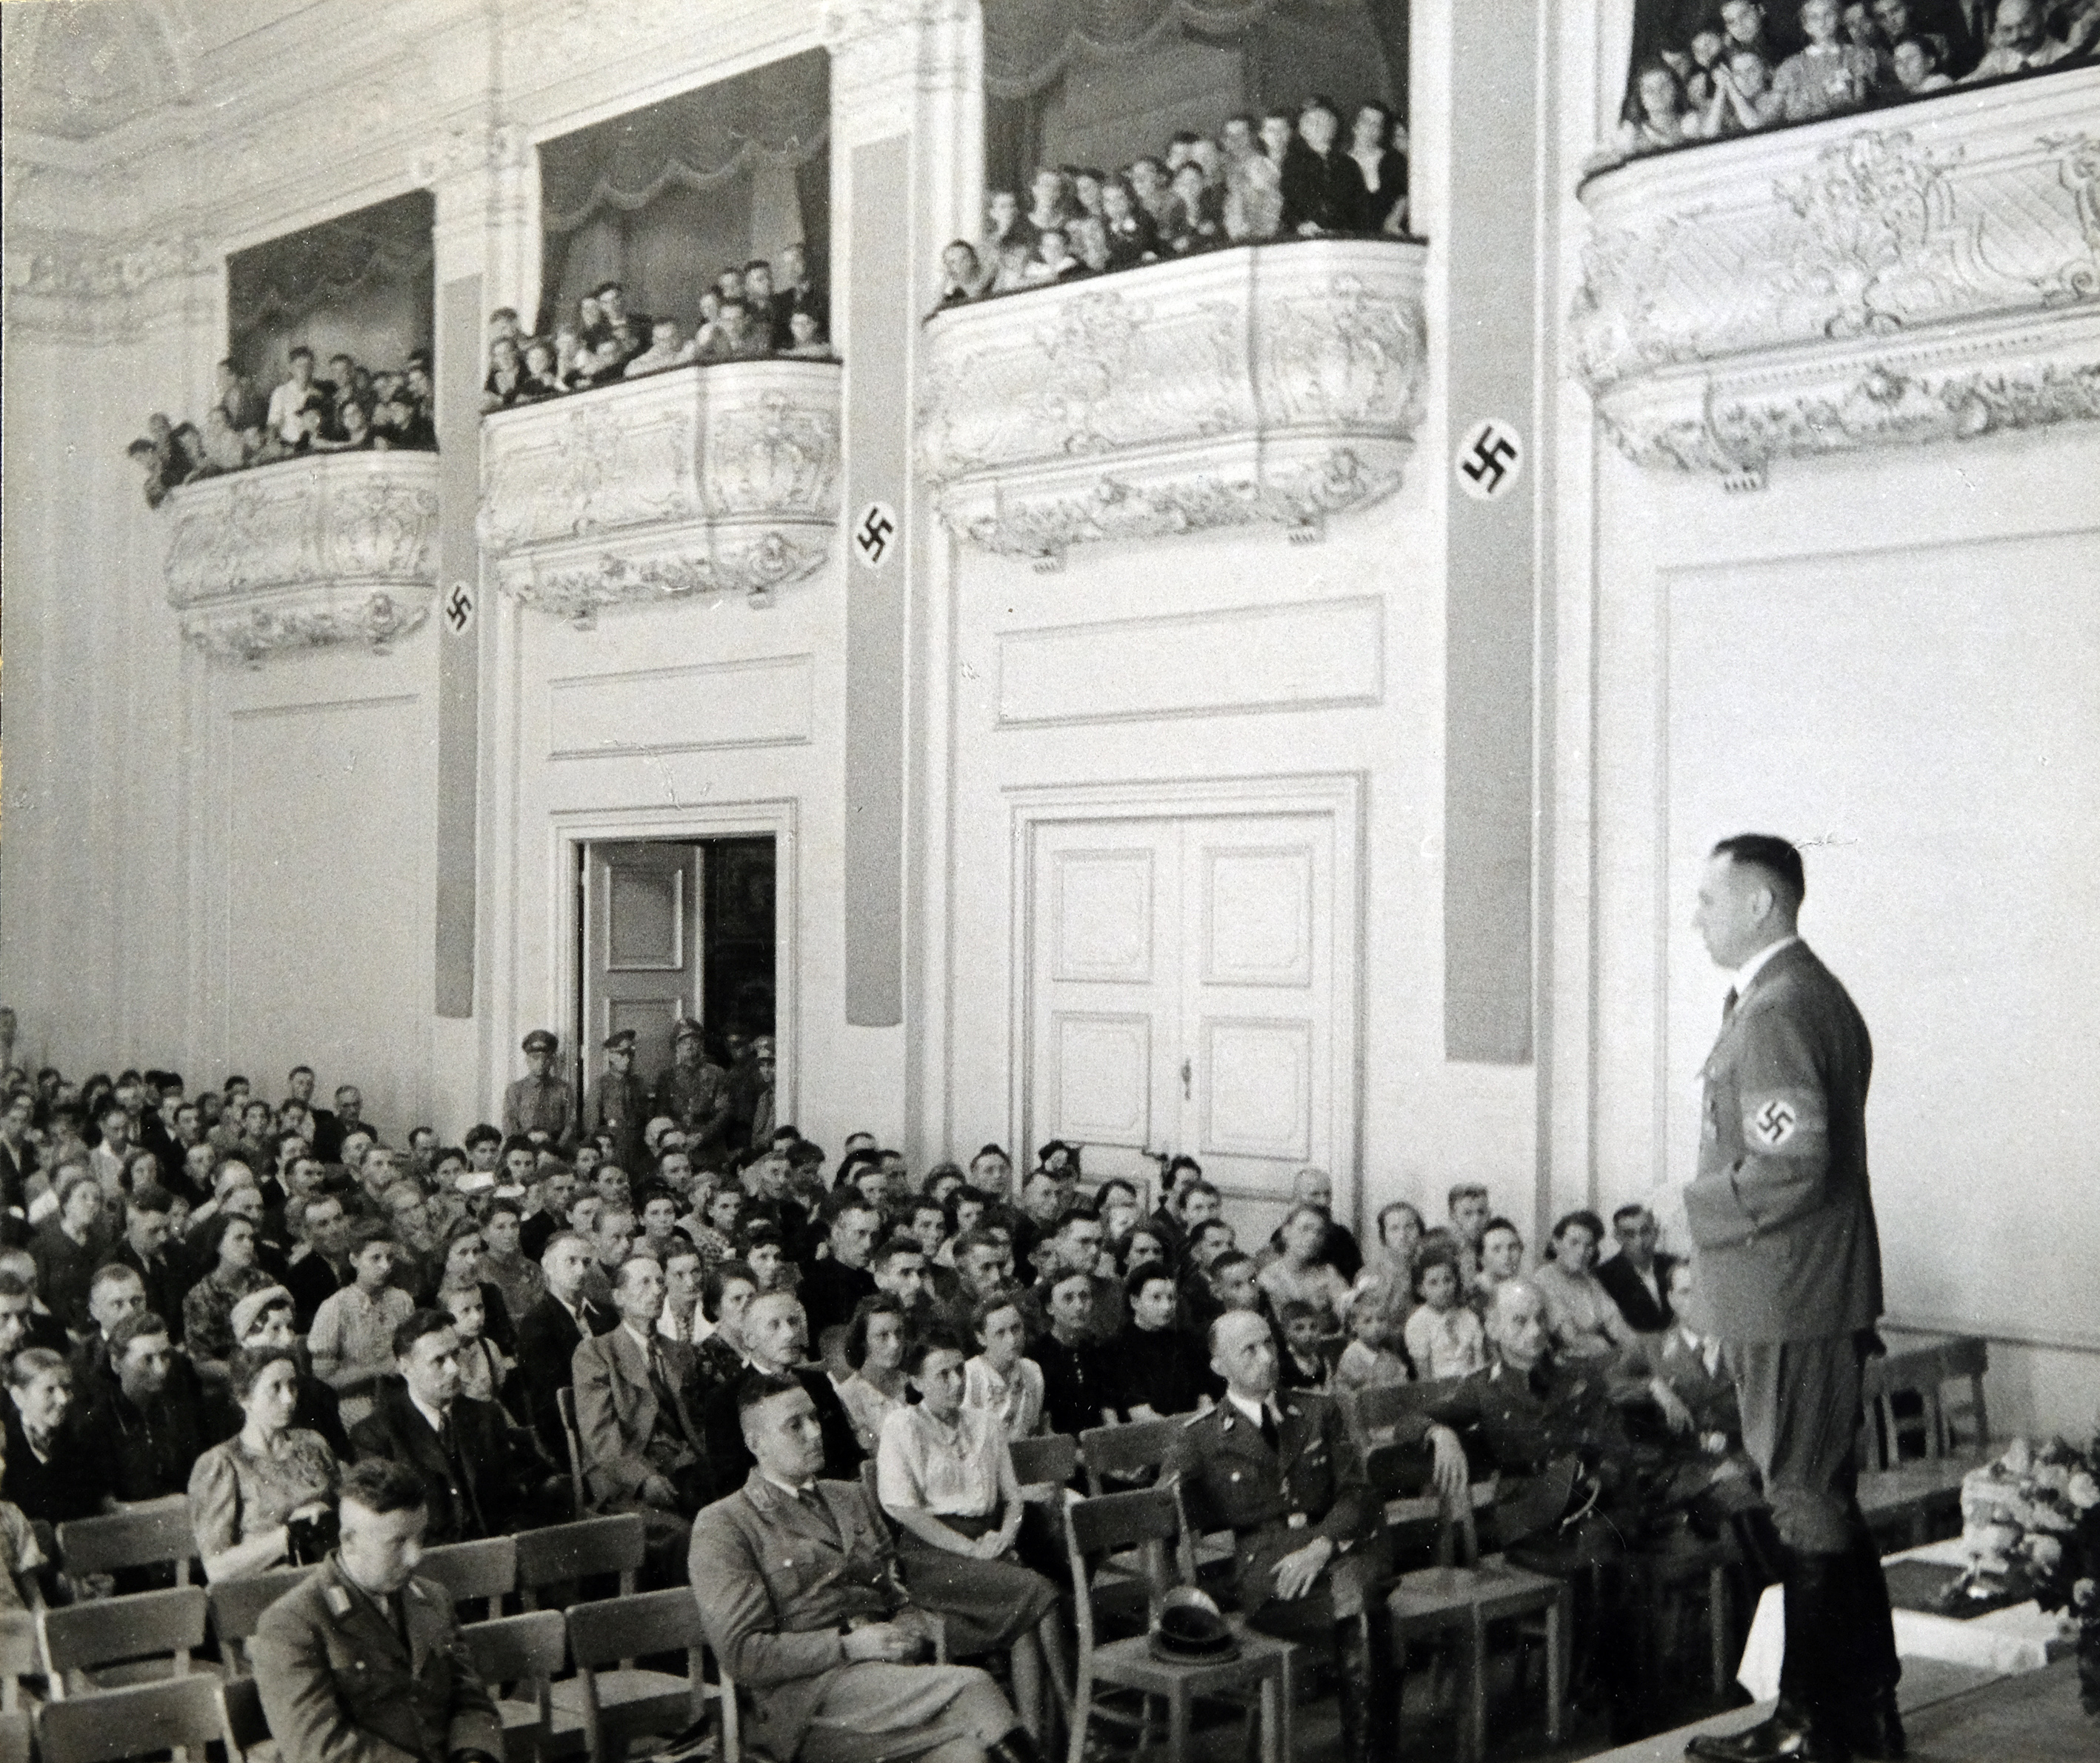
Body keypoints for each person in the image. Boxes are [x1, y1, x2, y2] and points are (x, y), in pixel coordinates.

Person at [1684, 834, 1899, 1763]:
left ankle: (1809, 1723)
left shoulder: (1779, 1007)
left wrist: (1689, 1204)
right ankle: (1865, 1714)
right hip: (1799, 1288)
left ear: (1760, 904)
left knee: (1805, 1502)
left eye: (1708, 900)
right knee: (1820, 1499)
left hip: (1790, 1293)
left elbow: (1793, 1162)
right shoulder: (1802, 994)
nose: (1696, 918)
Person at [690, 1373, 1039, 1763]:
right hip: (809, 1702)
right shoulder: (727, 1523)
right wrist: (847, 1645)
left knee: (965, 1755)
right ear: (757, 1444)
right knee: (972, 1686)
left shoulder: (851, 1496)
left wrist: (908, 1625)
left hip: (887, 1679)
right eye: (794, 1426)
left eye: (814, 1418)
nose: (815, 1433)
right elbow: (742, 1652)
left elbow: (896, 1593)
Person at [1167, 1310, 1395, 1763]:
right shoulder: (1200, 1437)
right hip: (1269, 1574)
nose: (1267, 1357)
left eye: (1268, 1343)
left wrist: (1321, 1546)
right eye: (1248, 1351)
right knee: (1366, 1601)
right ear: (1219, 1366)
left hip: (1328, 1554)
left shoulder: (1318, 1410)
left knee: (1360, 1596)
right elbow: (1162, 1511)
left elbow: (1357, 1492)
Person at [253, 1458, 504, 1763]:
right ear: (349, 1541)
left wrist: (473, 1757)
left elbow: (471, 1699)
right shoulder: (293, 1623)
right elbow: (319, 1748)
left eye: (420, 1537)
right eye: (397, 1543)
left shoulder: (433, 1598)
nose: (415, 1557)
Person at [876, 1333, 1064, 1724]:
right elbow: (904, 1511)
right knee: (1039, 1592)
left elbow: (1014, 1499)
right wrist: (968, 1548)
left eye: (960, 1370)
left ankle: (1031, 1734)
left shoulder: (985, 1423)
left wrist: (1005, 1536)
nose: (957, 1382)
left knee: (1025, 1618)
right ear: (916, 1382)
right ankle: (1073, 1712)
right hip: (931, 1553)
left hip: (987, 1542)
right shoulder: (902, 1426)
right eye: (942, 1374)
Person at [349, 1310, 524, 1545]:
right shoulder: (375, 1436)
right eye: (439, 1360)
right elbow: (388, 1530)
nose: (454, 1368)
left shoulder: (487, 1416)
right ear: (405, 1368)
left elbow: (512, 1504)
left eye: (455, 1355)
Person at [572, 1255, 710, 1520]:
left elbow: (698, 1421)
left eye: (660, 1282)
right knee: (681, 1531)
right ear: (619, 1297)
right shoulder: (597, 1353)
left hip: (685, 1468)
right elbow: (601, 1434)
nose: (657, 1291)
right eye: (645, 1283)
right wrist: (643, 1478)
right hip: (625, 1479)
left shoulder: (679, 1351)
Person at [190, 1345, 342, 1580]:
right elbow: (217, 1569)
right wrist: (290, 1535)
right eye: (275, 1388)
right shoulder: (222, 1462)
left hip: (327, 1574)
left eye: (293, 1385)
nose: (289, 1399)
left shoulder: (313, 1443)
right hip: (268, 1584)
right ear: (244, 1398)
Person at [516, 1230, 616, 1459]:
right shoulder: (537, 1325)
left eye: (586, 1262)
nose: (581, 1270)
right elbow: (551, 1404)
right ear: (548, 1266)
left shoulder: (606, 1315)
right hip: (577, 1437)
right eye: (571, 1261)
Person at [309, 1223, 416, 1429]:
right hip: (355, 1403)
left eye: (390, 1258)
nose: (386, 1266)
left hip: (401, 1396)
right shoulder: (335, 1307)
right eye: (375, 1258)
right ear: (354, 1259)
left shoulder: (401, 1301)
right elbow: (323, 1382)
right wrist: (377, 1369)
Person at [2, 1349, 112, 1524]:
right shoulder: (5, 1446)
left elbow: (102, 1504)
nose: (64, 1399)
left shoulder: (84, 1437)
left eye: (67, 1388)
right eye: (50, 1390)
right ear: (18, 1396)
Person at [1532, 1210, 1641, 1361]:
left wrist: (1638, 1346)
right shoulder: (1544, 1279)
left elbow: (1616, 1323)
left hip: (1597, 1358)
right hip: (1561, 1364)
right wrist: (1610, 1348)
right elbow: (1570, 1337)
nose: (1581, 1252)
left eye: (1589, 1245)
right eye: (1574, 1243)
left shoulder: (1590, 1282)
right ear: (1556, 1243)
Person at [1106, 1266, 1207, 1419]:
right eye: (1156, 1298)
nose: (1167, 1306)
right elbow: (1140, 1414)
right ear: (1134, 1302)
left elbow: (1203, 1396)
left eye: (1171, 1298)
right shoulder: (1118, 1348)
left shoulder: (1185, 1341)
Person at [836, 1296, 911, 1454]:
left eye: (899, 1333)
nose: (895, 1344)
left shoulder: (913, 1383)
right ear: (863, 1341)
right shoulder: (848, 1395)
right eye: (883, 1335)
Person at [962, 1294, 1043, 1441]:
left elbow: (1033, 1429)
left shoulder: (1032, 1370)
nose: (1012, 1340)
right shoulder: (969, 1375)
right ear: (981, 1338)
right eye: (1000, 1333)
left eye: (1016, 1328)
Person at [1259, 1202, 1353, 1324]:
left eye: (1319, 1232)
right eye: (1305, 1229)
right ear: (1286, 1232)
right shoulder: (1269, 1277)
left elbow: (1351, 1311)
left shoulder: (1328, 1272)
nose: (1312, 1238)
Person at [1596, 1202, 1679, 1334]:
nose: (1640, 1242)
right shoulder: (1604, 1276)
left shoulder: (1673, 1265)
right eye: (1630, 1234)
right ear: (1618, 1238)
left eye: (1645, 1231)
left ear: (1655, 1232)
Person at [502, 1030, 573, 1147]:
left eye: (546, 1058)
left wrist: (557, 1148)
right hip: (523, 1148)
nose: (541, 1063)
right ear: (527, 1060)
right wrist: (520, 1148)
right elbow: (509, 1125)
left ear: (552, 1060)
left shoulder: (563, 1089)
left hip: (554, 1148)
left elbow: (570, 1124)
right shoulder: (515, 1090)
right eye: (535, 1058)